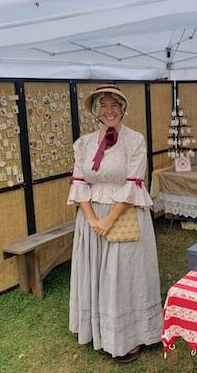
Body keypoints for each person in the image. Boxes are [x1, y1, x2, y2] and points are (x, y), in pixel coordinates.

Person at [67, 84, 163, 363]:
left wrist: (108, 219)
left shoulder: (134, 140)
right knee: (96, 274)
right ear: (97, 110)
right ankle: (98, 330)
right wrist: (92, 219)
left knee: (124, 277)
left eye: (114, 105)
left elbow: (134, 183)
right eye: (103, 106)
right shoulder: (84, 143)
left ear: (123, 108)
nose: (109, 111)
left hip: (124, 215)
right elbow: (79, 182)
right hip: (92, 219)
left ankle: (129, 336)